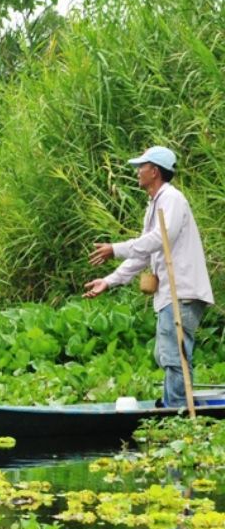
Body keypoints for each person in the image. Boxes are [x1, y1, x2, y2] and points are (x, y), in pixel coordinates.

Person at [83, 146, 213, 408]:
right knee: (166, 351)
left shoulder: (172, 199)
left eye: (141, 166)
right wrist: (109, 280)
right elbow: (143, 253)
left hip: (182, 291)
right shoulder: (155, 204)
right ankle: (174, 404)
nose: (137, 171)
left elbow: (157, 239)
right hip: (170, 293)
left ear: (154, 171)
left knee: (173, 352)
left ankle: (177, 408)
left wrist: (115, 249)